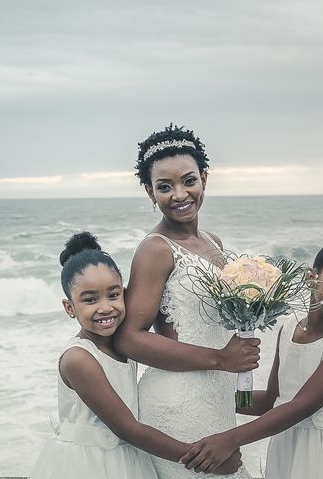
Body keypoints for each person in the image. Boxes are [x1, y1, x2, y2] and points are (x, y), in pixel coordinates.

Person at [179, 229, 323, 479]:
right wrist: (212, 397)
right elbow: (273, 400)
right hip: (288, 445)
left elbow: (301, 406)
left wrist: (229, 439)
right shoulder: (289, 328)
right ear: (311, 277)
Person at [30, 232, 242, 479]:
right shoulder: (79, 359)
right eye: (90, 300)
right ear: (70, 307)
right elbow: (128, 428)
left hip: (127, 459)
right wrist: (202, 459)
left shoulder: (121, 348)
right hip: (88, 464)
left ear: (126, 293)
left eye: (113, 294)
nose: (105, 307)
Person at [113, 124, 257, 479]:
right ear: (150, 192)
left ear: (204, 178)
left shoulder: (215, 242)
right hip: (177, 403)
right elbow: (128, 337)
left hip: (219, 399)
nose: (179, 194)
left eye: (188, 181)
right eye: (165, 187)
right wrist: (221, 358)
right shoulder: (155, 249)